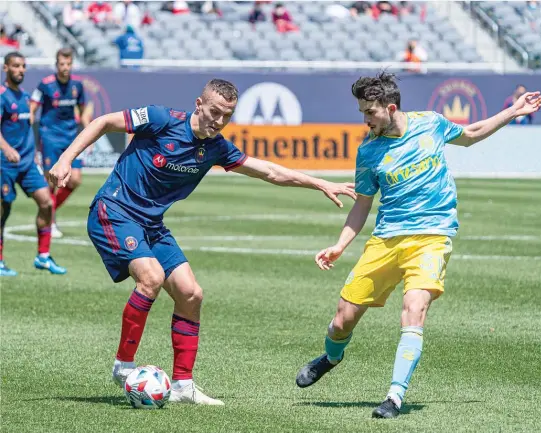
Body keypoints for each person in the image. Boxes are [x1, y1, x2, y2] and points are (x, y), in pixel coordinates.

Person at [48, 79, 356, 405]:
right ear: (198, 104)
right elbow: (103, 121)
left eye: (227, 116)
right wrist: (66, 159)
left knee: (191, 294)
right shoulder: (161, 119)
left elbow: (269, 172)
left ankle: (182, 385)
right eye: (214, 113)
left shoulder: (216, 147)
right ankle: (123, 364)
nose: (219, 121)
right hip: (114, 210)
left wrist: (319, 182)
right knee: (150, 278)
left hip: (151, 224)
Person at [295, 72, 541, 419]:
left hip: (432, 236)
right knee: (341, 322)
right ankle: (332, 357)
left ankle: (394, 398)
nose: (365, 119)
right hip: (385, 241)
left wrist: (512, 111)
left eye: (370, 112)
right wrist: (340, 245)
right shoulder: (368, 151)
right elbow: (363, 203)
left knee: (414, 308)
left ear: (390, 107)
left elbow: (470, 134)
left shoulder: (430, 124)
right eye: (363, 112)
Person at [0, 52, 67, 276]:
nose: (20, 70)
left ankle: (43, 257)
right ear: (6, 68)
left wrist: (35, 153)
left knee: (47, 203)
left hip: (27, 162)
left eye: (23, 66)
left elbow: (27, 128)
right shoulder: (1, 95)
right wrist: (6, 148)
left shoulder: (25, 96)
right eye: (16, 66)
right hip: (5, 163)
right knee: (3, 210)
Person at [30, 48, 91, 238]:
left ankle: (50, 211)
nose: (65, 67)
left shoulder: (77, 86)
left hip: (70, 138)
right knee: (52, 181)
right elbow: (32, 110)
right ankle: (50, 218)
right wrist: (29, 137)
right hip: (50, 137)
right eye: (62, 64)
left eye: (68, 64)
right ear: (56, 65)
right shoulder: (45, 85)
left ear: (72, 64)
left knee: (75, 179)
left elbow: (82, 114)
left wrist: (89, 137)